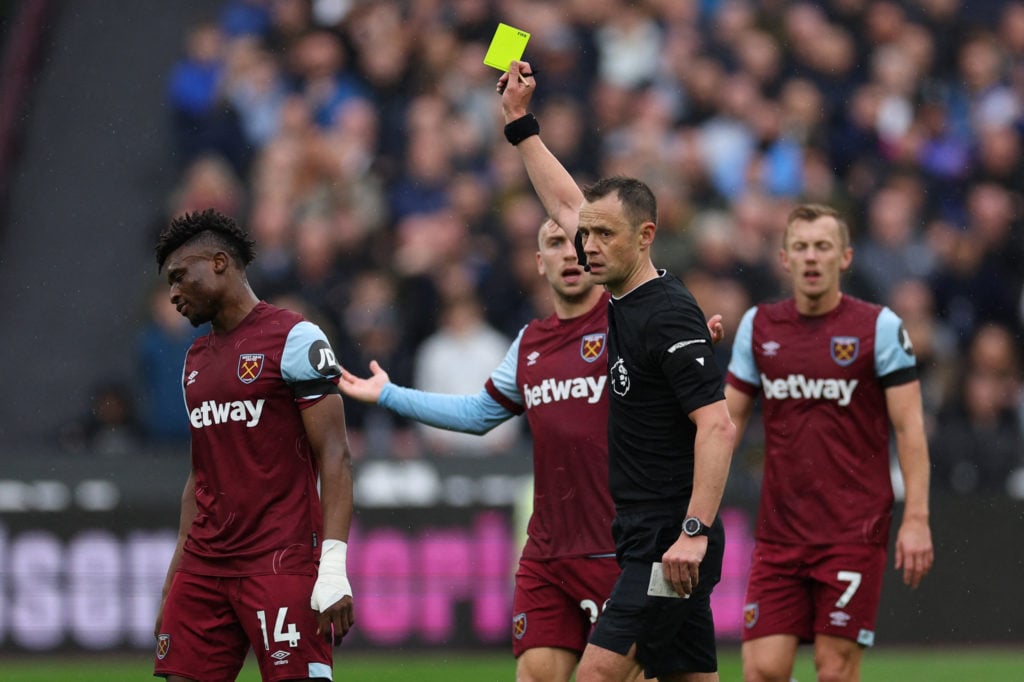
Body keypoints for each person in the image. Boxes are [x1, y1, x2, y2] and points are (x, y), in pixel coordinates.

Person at [498, 61, 737, 682]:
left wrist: (693, 532)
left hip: (669, 543)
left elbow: (718, 428)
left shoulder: (665, 313)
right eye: (586, 234)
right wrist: (520, 124)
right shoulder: (630, 300)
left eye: (604, 235)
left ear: (646, 236)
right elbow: (565, 201)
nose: (588, 245)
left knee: (597, 675)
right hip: (643, 535)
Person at [340, 218, 618, 682]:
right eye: (554, 243)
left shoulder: (623, 323)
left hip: (618, 546)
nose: (569, 254)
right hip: (548, 550)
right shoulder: (530, 344)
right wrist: (390, 394)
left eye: (576, 243)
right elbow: (478, 414)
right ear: (539, 263)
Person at [723, 203, 935, 682]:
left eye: (823, 247)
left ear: (845, 258)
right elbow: (726, 424)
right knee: (762, 670)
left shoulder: (879, 328)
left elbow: (910, 429)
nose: (811, 257)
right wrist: (693, 504)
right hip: (780, 533)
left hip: (851, 533)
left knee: (834, 669)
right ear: (784, 259)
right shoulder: (759, 326)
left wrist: (917, 518)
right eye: (801, 247)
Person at [152, 208, 355, 682]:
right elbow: (200, 477)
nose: (174, 294)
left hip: (279, 561)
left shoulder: (296, 338)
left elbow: (336, 456)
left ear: (219, 263)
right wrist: (173, 583)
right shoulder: (194, 360)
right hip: (205, 566)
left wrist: (333, 569)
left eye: (180, 277)